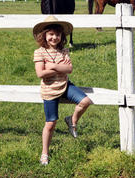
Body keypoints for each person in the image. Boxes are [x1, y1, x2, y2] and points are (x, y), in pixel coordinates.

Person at [32, 15, 93, 166]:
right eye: (51, 34)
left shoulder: (64, 51)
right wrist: (60, 68)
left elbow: (69, 69)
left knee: (85, 101)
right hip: (49, 90)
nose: (54, 37)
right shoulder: (39, 52)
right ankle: (44, 153)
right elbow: (40, 73)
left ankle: (72, 120)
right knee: (51, 123)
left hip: (65, 85)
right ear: (44, 35)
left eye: (57, 34)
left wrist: (51, 67)